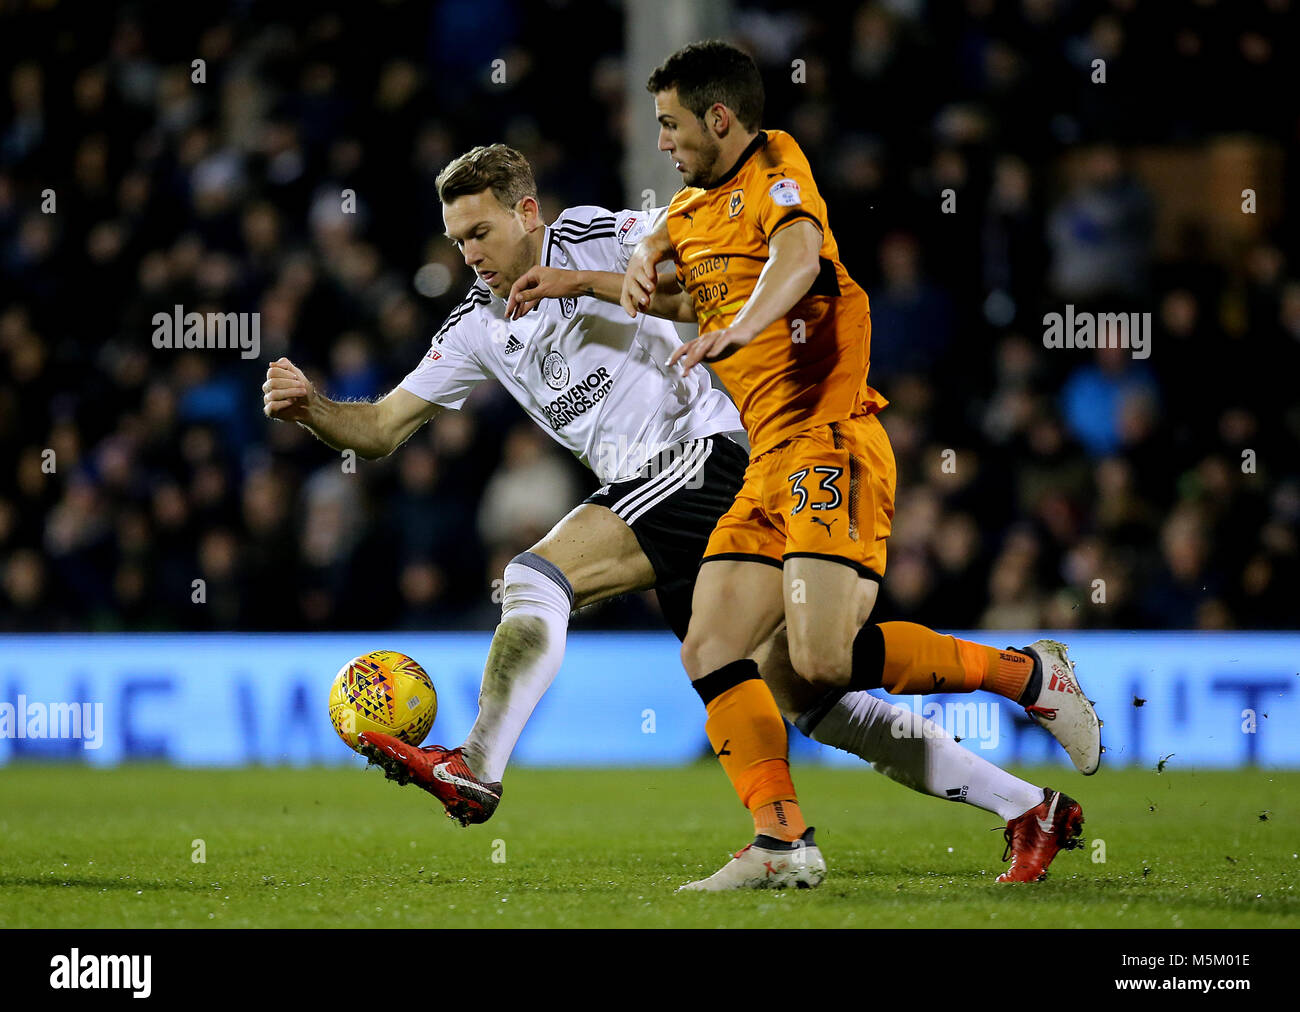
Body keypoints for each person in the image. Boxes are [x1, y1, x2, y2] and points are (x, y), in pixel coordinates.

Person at [263, 143, 1089, 892]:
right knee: (811, 685)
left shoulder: (590, 234)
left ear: (526, 212)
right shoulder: (477, 327)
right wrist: (312, 409)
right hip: (650, 492)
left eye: (479, 232)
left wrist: (617, 269)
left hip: (704, 455)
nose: (469, 254)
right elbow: (377, 429)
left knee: (534, 577)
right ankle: (1025, 780)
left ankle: (480, 762)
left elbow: (696, 256)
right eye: (456, 241)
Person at [618, 40, 1100, 890]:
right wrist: (580, 278)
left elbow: (797, 259)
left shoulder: (776, 163)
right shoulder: (693, 213)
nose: (662, 142)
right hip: (765, 460)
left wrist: (742, 327)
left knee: (821, 665)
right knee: (713, 647)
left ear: (719, 118)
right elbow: (678, 290)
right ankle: (780, 842)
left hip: (828, 441)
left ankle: (1025, 674)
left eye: (670, 123)